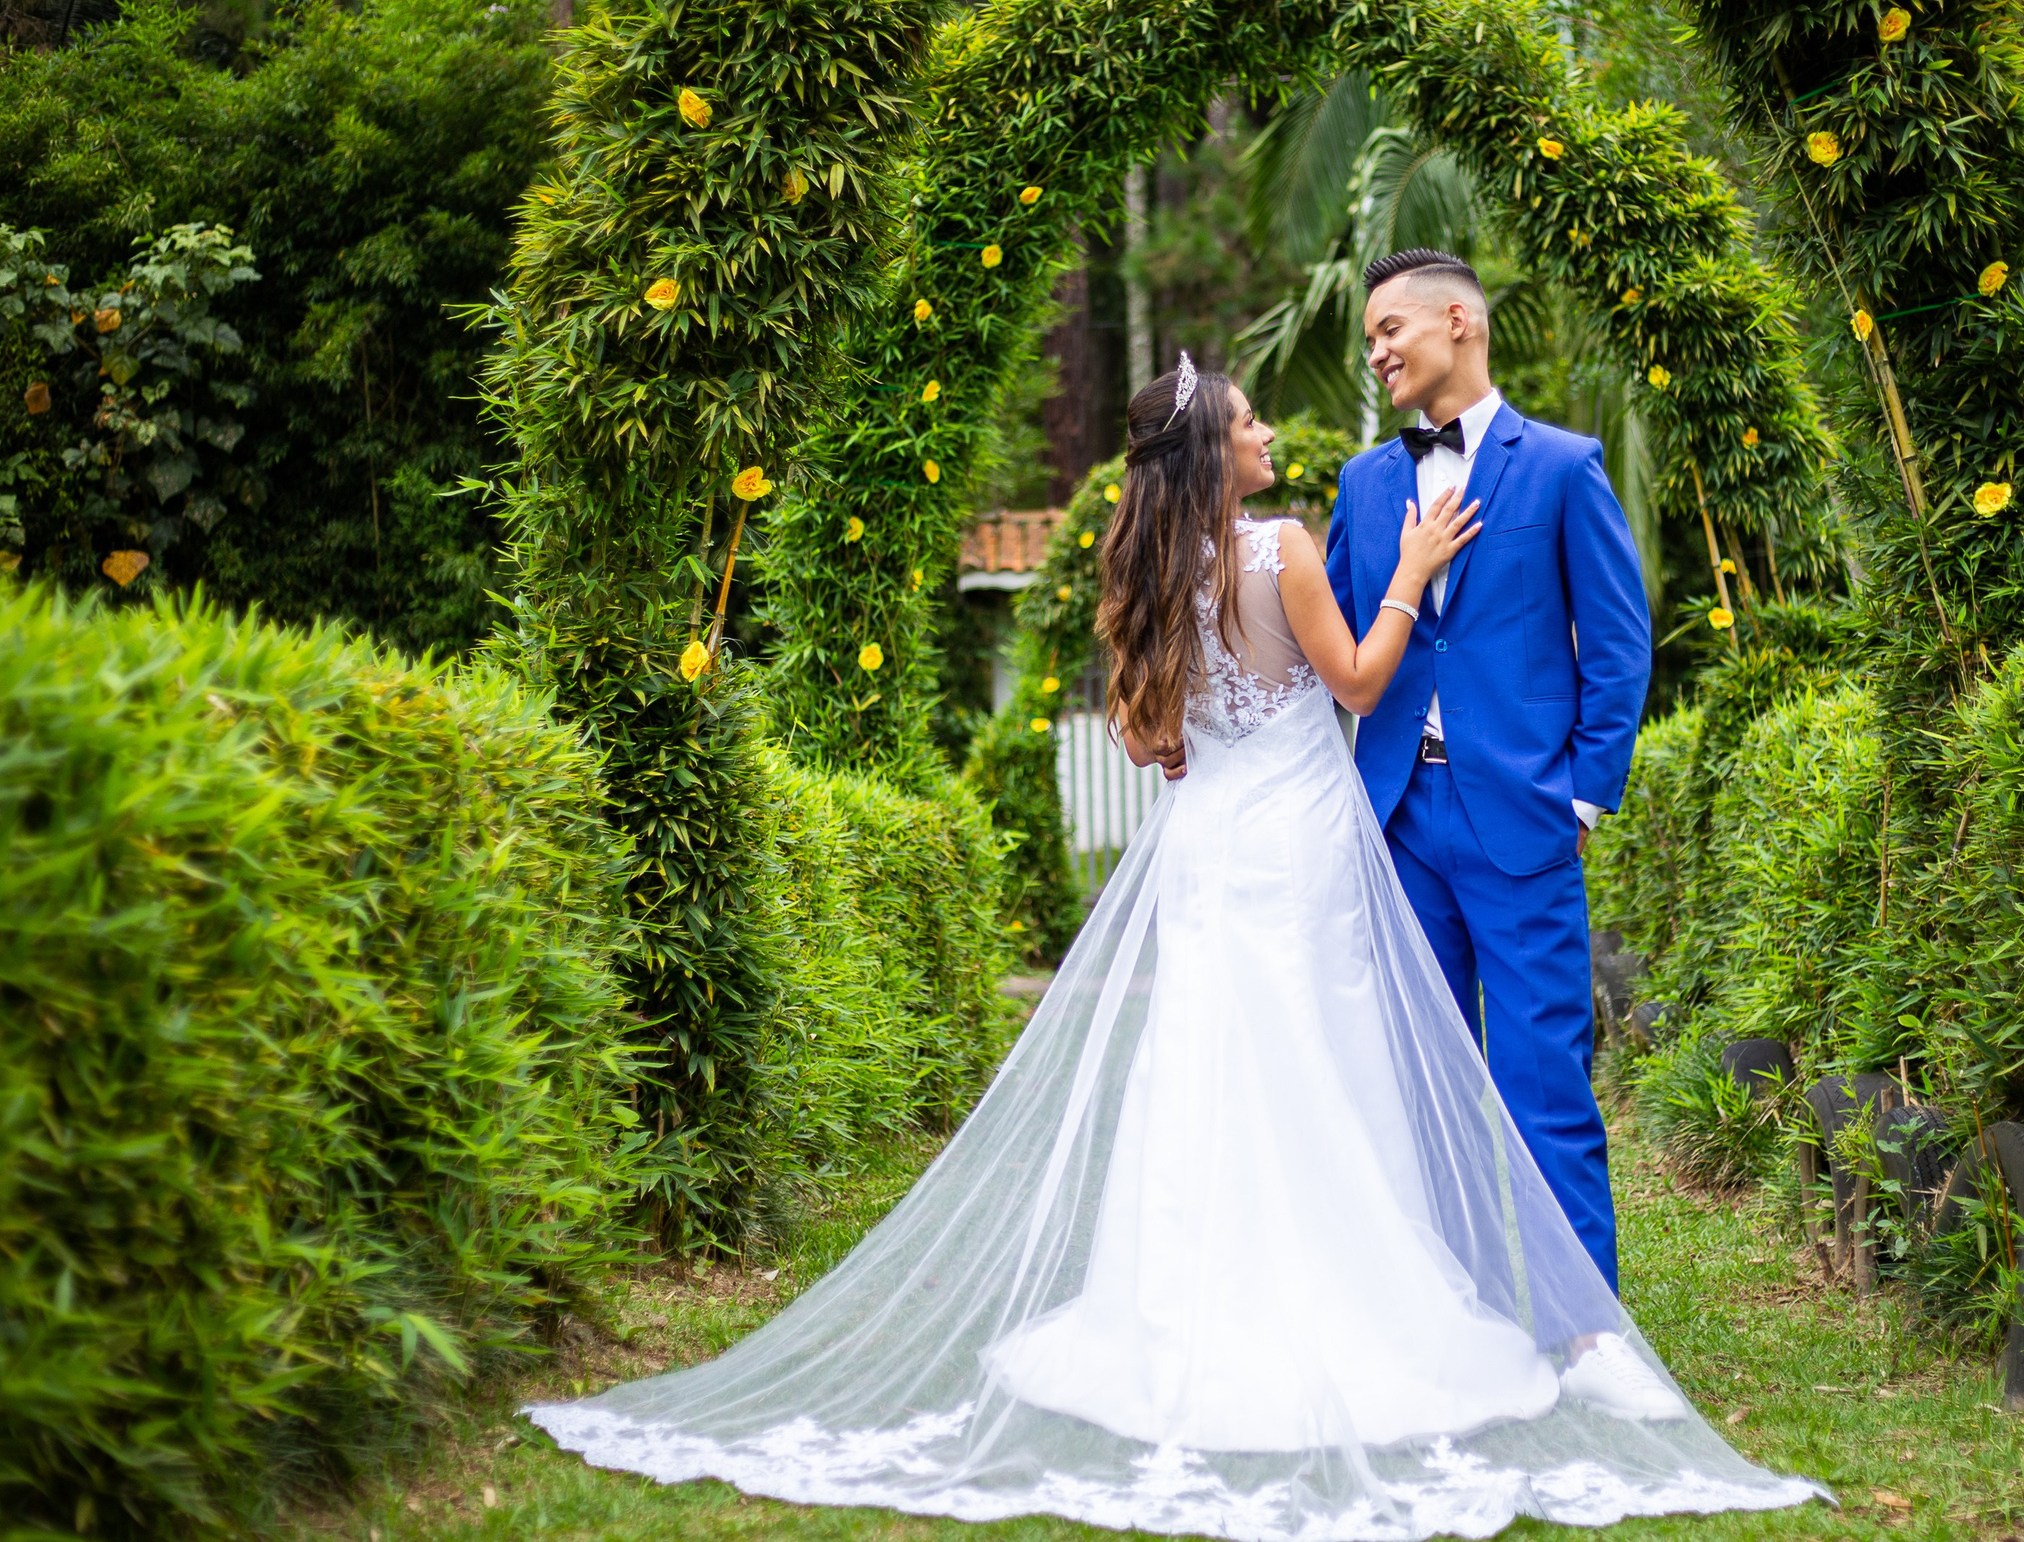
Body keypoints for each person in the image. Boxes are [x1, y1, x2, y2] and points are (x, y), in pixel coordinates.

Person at [526, 356, 1819, 1538]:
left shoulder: (1142, 565)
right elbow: (1363, 681)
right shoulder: (1279, 550)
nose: (1266, 433)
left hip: (1212, 835)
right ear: (1218, 450)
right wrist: (1416, 573)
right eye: (1251, 419)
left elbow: (1152, 741)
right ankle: (1354, 1303)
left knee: (1211, 1059)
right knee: (1321, 1052)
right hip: (1305, 833)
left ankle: (1183, 1307)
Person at [1326, 248, 1649, 1315]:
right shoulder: (1364, 485)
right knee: (1423, 1088)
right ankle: (1457, 1323)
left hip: (1522, 822)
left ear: (1457, 320)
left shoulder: (1561, 466)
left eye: (1388, 330)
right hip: (1398, 821)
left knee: (1544, 1085)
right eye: (1369, 338)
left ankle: (1582, 1335)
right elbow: (1324, 641)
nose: (1375, 352)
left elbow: (1616, 645)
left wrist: (1581, 795)